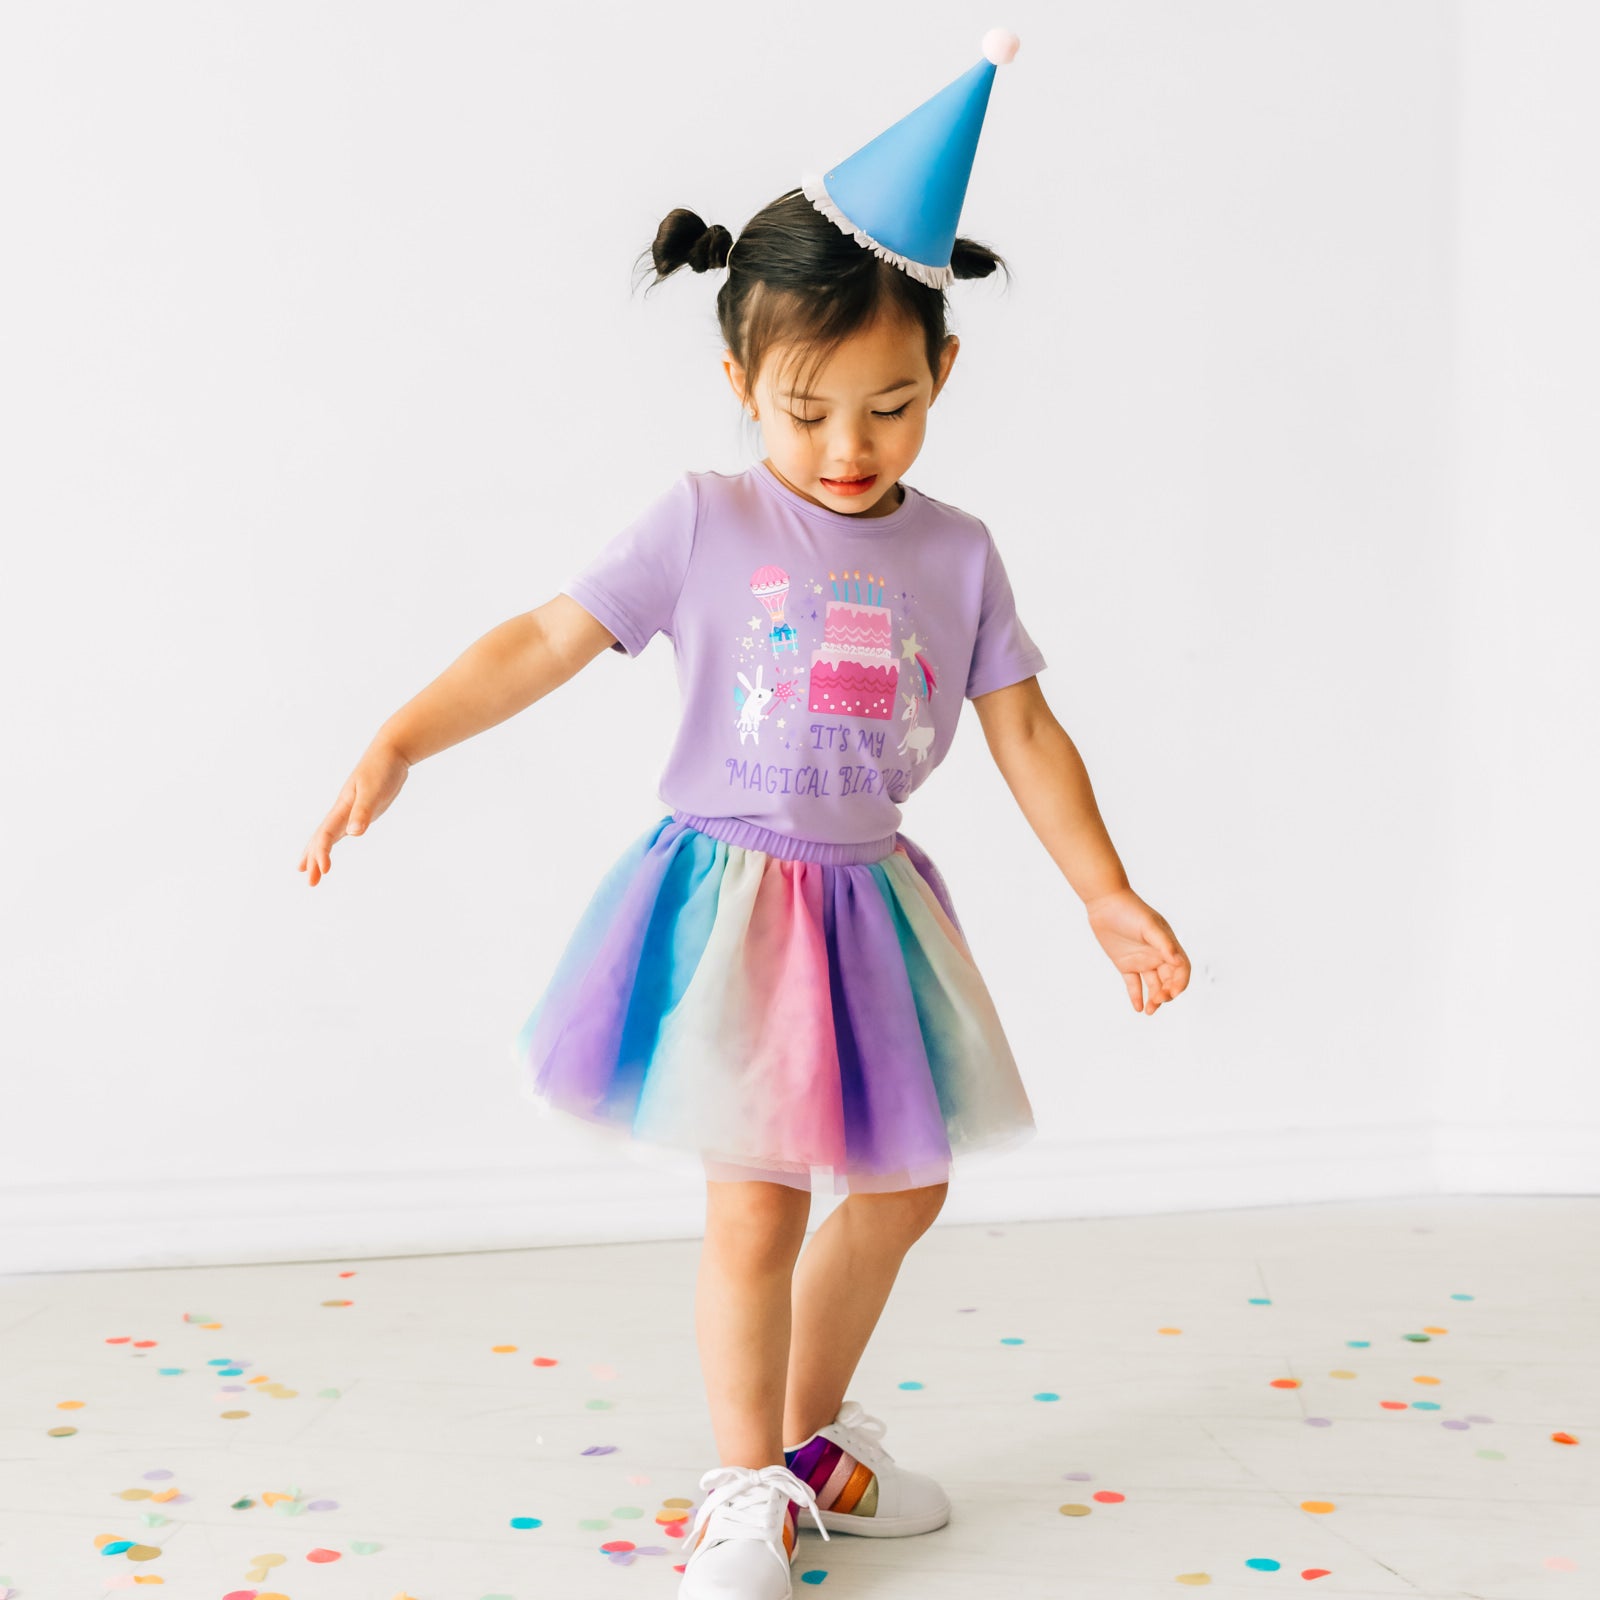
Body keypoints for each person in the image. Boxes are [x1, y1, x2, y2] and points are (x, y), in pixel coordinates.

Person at [297, 30, 1189, 1600]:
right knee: (759, 1205)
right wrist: (403, 739)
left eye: (890, 407)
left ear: (945, 377)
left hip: (873, 904)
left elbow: (1026, 730)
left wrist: (1103, 889)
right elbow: (543, 638)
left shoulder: (960, 555)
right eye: (806, 411)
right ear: (738, 387)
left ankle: (803, 1437)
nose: (848, 449)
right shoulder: (702, 520)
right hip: (736, 903)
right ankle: (739, 1490)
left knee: (905, 1186)